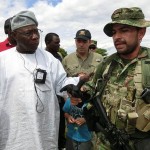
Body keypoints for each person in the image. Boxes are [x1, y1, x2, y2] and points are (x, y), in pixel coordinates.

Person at [0, 10, 90, 150]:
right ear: (14, 35)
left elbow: (61, 83)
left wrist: (74, 84)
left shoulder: (49, 59)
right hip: (14, 138)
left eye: (37, 31)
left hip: (45, 134)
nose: (35, 37)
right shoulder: (3, 60)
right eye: (28, 33)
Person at [85, 7, 150, 150]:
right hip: (102, 142)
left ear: (141, 32)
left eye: (124, 30)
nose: (117, 37)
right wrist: (79, 93)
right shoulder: (106, 63)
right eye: (114, 32)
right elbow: (91, 87)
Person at [45, 32, 66, 150]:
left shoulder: (59, 56)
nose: (59, 44)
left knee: (61, 123)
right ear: (47, 43)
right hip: (48, 98)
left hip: (60, 97)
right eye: (56, 42)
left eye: (59, 42)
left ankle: (61, 144)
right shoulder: (42, 57)